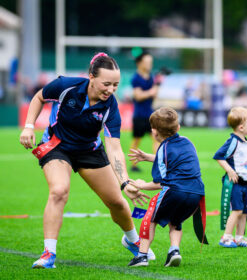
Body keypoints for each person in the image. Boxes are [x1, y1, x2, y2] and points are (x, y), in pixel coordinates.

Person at [19, 52, 154, 269]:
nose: (111, 90)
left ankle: (132, 240)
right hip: (57, 146)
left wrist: (125, 181)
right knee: (59, 191)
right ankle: (48, 254)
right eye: (106, 84)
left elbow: (114, 146)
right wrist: (28, 126)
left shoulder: (111, 106)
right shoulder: (66, 86)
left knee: (117, 202)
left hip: (89, 151)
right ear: (91, 76)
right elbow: (39, 97)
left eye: (116, 85)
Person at [127, 107, 205, 267]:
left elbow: (160, 183)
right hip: (196, 193)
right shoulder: (187, 142)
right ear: (178, 128)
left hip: (175, 190)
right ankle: (174, 251)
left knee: (150, 217)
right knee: (175, 220)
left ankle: (142, 256)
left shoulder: (163, 148)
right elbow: (175, 158)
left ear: (154, 133)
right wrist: (149, 157)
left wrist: (141, 185)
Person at [213, 107, 247, 248]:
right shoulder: (233, 141)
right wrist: (230, 171)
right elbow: (219, 156)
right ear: (242, 127)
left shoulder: (245, 142)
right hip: (234, 182)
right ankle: (226, 237)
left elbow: (244, 160)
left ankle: (239, 237)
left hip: (245, 182)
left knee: (244, 211)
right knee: (237, 210)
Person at [129, 52, 160, 172]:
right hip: (139, 115)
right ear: (139, 63)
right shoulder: (136, 78)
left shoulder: (151, 77)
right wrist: (151, 92)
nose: (149, 65)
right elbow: (138, 96)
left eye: (150, 62)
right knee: (137, 140)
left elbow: (154, 95)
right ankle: (133, 165)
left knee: (156, 138)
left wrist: (158, 83)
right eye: (147, 62)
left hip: (150, 114)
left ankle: (158, 162)